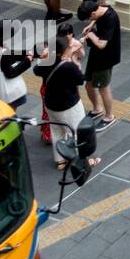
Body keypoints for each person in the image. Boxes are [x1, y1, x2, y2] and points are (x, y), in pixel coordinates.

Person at [35, 35, 99, 171]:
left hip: (51, 104)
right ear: (61, 51)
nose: (71, 48)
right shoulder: (68, 66)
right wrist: (73, 61)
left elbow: (36, 70)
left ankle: (60, 161)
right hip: (69, 105)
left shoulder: (47, 61)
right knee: (78, 131)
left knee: (56, 130)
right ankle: (84, 161)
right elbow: (80, 80)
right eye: (68, 47)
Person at [77, 0, 120, 131]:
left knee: (103, 87)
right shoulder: (102, 7)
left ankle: (109, 116)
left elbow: (102, 44)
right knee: (88, 82)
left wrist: (90, 36)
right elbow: (96, 18)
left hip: (106, 57)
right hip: (96, 55)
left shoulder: (110, 18)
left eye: (89, 18)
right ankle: (97, 109)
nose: (89, 21)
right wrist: (91, 25)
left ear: (93, 13)